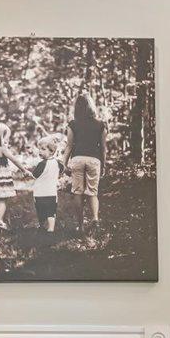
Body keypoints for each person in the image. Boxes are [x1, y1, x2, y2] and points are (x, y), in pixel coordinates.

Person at [62, 93, 107, 234]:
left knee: (78, 192)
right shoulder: (101, 125)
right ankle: (95, 219)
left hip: (77, 159)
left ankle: (80, 225)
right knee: (93, 192)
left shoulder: (73, 124)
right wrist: (104, 164)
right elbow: (103, 148)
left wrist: (64, 164)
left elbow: (69, 146)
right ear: (92, 106)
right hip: (94, 160)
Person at [0, 122, 29, 230]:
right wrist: (24, 170)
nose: (7, 139)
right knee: (2, 199)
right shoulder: (2, 148)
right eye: (6, 136)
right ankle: (0, 220)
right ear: (1, 136)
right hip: (2, 176)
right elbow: (14, 160)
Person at [29, 135, 64, 233]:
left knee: (41, 210)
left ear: (51, 151)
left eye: (43, 149)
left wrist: (29, 174)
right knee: (51, 211)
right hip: (52, 192)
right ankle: (51, 228)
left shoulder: (42, 164)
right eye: (39, 149)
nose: (40, 151)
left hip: (40, 192)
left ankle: (42, 225)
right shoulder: (58, 163)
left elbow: (35, 175)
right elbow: (62, 170)